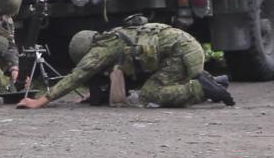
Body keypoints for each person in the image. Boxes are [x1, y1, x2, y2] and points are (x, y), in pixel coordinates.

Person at [17, 18, 234, 109]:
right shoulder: (116, 36)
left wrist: (40, 101)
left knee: (149, 94)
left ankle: (200, 88)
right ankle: (216, 82)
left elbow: (77, 76)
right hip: (187, 49)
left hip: (180, 54)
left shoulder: (102, 49)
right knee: (158, 80)